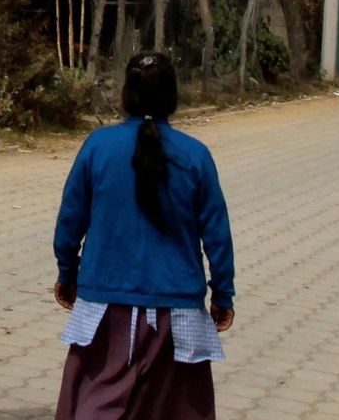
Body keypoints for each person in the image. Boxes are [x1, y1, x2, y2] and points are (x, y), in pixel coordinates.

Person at [52, 52, 235, 420]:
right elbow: (217, 234)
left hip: (104, 309)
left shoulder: (98, 146)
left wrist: (67, 273)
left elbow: (70, 221)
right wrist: (223, 293)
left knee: (96, 402)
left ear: (125, 95)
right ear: (173, 98)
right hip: (177, 314)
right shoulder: (196, 155)